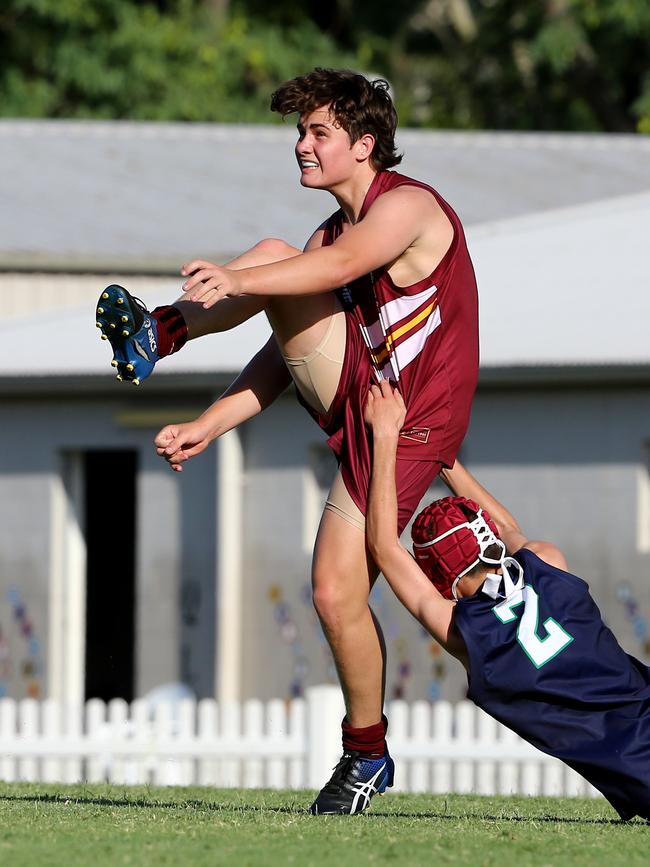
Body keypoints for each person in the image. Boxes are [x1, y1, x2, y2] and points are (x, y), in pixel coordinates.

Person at [95, 68, 479, 814]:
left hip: (412, 424)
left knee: (341, 593)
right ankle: (158, 333)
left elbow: (327, 271)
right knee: (337, 596)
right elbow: (287, 347)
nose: (302, 145)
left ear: (365, 146)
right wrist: (211, 421)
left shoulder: (409, 209)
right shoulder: (330, 233)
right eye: (300, 132)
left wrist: (240, 278)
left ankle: (380, 752)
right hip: (372, 409)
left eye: (319, 133)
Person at [363, 380, 650, 822]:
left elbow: (384, 546)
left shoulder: (466, 631)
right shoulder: (547, 561)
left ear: (441, 577)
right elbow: (508, 524)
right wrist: (442, 456)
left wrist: (384, 437)